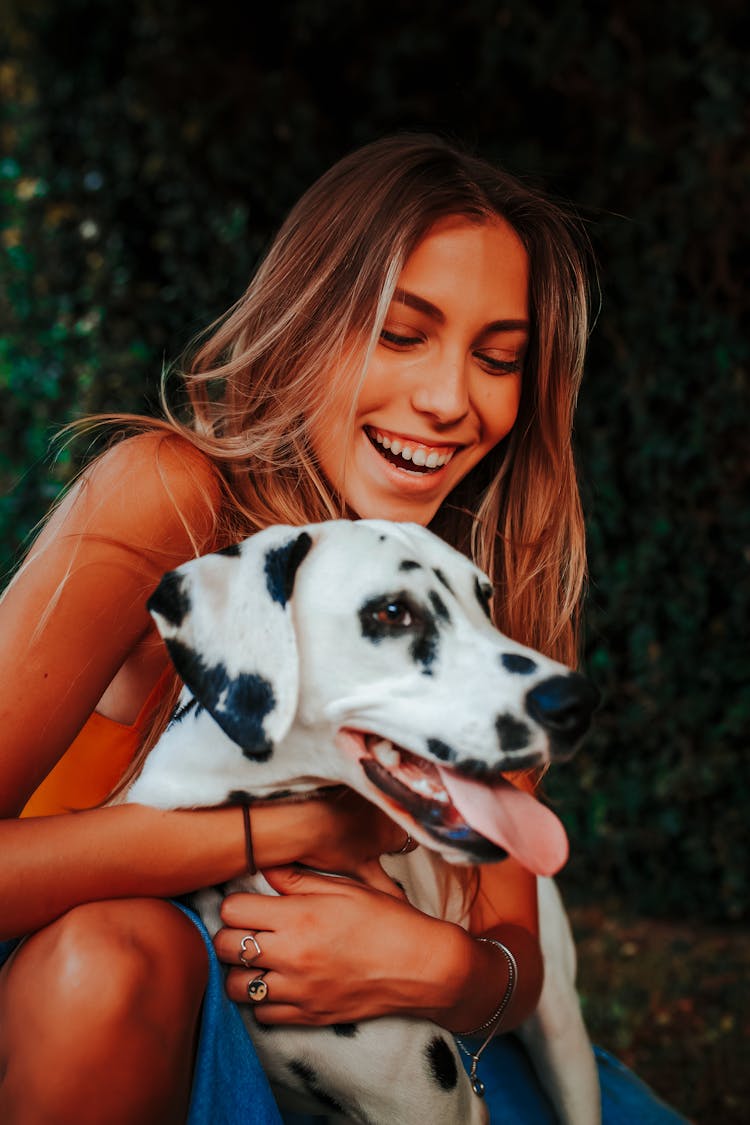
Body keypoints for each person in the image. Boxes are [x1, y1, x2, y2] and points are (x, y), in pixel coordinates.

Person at [0, 134, 686, 1124]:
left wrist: (440, 965)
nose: (451, 399)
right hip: (117, 1010)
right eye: (402, 334)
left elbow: (511, 950)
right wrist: (299, 827)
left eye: (498, 358)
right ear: (305, 323)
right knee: (109, 954)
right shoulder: (174, 502)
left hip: (395, 1049)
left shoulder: (467, 593)